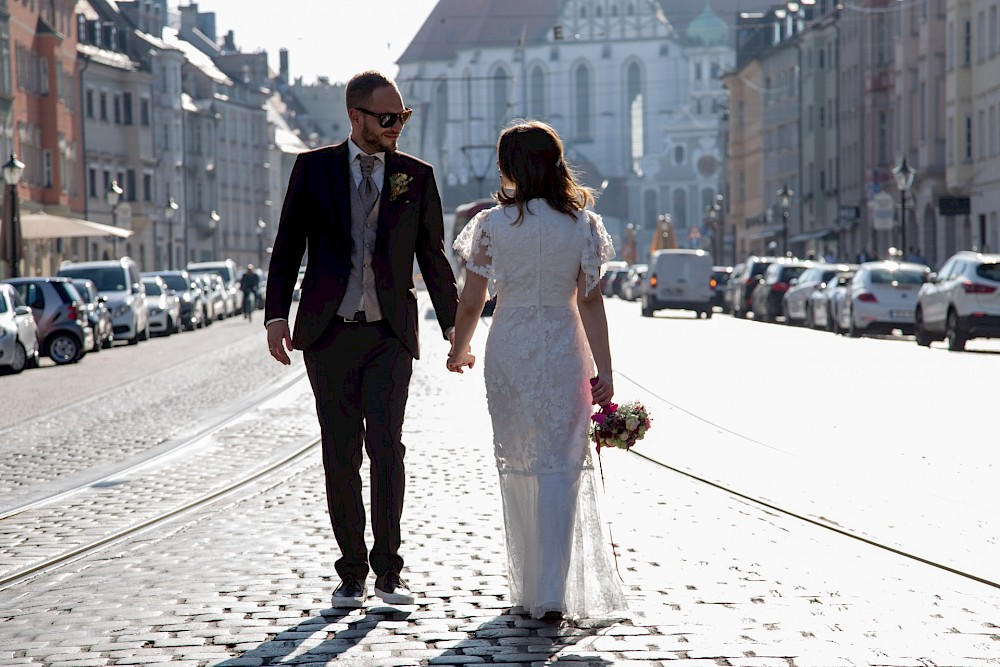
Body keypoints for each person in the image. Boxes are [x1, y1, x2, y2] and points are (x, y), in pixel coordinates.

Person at [264, 70, 459, 609]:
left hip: (389, 335)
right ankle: (350, 572)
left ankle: (388, 571)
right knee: (340, 453)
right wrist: (276, 316)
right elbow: (286, 248)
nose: (398, 126)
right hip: (328, 335)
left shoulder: (415, 177)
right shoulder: (313, 170)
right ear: (355, 117)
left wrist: (454, 329)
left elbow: (433, 256)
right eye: (387, 118)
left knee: (387, 448)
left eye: (403, 117)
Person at [447, 120, 627, 621]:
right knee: (562, 468)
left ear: (507, 168)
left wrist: (460, 350)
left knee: (520, 463)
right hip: (565, 348)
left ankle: (531, 589)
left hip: (511, 347)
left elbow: (471, 301)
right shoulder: (583, 226)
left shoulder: (491, 225)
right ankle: (552, 589)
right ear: (555, 163)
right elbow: (592, 303)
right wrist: (606, 369)